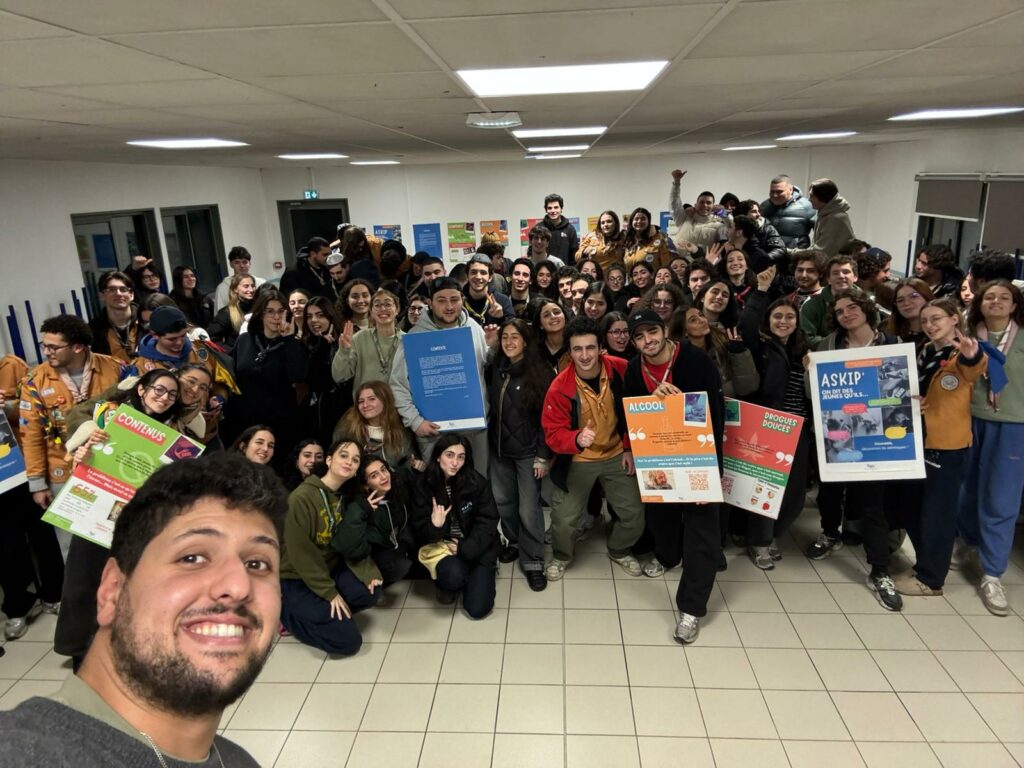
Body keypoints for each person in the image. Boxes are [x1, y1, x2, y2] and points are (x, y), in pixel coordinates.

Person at [0, 453, 287, 768]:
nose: (239, 585)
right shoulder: (23, 752)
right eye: (192, 558)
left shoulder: (236, 760)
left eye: (257, 564)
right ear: (112, 591)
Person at [53, 369, 185, 667]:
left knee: (130, 586)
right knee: (84, 581)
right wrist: (84, 449)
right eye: (159, 389)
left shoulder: (175, 433)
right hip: (96, 514)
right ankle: (80, 649)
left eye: (171, 394)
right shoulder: (109, 416)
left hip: (139, 521)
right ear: (141, 389)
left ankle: (124, 649)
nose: (164, 397)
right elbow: (77, 453)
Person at [623, 309, 725, 643]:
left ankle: (691, 609)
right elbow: (630, 413)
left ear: (665, 330)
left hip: (698, 459)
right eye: (639, 337)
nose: (647, 341)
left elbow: (716, 414)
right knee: (661, 519)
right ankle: (668, 557)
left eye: (652, 332)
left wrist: (681, 406)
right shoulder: (635, 369)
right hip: (658, 459)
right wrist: (652, 405)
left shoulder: (696, 360)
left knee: (701, 531)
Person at [807, 290, 903, 612]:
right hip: (835, 434)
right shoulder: (828, 346)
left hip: (875, 436)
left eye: (851, 307)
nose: (846, 314)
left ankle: (880, 570)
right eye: (839, 311)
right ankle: (829, 533)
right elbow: (812, 392)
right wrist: (810, 372)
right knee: (829, 492)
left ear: (866, 309)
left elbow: (902, 388)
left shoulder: (891, 344)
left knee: (873, 504)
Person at [541, 317, 646, 581]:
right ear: (569, 351)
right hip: (578, 459)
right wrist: (576, 439)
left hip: (617, 453)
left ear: (600, 347)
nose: (585, 355)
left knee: (634, 514)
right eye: (577, 349)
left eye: (590, 348)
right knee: (563, 520)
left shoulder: (621, 369)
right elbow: (552, 434)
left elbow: (638, 410)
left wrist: (629, 447)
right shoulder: (559, 387)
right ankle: (562, 556)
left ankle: (619, 549)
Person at [894, 299, 986, 598]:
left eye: (937, 319)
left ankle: (931, 580)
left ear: (954, 319)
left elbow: (973, 370)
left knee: (937, 514)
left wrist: (972, 356)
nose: (930, 325)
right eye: (925, 320)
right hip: (917, 441)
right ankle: (924, 563)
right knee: (911, 507)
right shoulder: (925, 351)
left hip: (946, 445)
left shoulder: (963, 352)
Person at [20, 315, 124, 556]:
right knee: (72, 547)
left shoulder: (115, 369)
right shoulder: (35, 382)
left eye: (53, 347)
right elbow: (31, 434)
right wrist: (37, 483)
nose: (47, 352)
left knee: (119, 537)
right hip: (63, 471)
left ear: (77, 347)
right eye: (44, 345)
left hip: (110, 468)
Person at [956, 279, 1024, 616]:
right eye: (989, 297)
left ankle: (993, 574)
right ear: (979, 304)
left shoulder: (1022, 339)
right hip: (968, 420)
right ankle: (969, 545)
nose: (996, 302)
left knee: (1001, 496)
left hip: (1013, 424)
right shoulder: (967, 337)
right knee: (966, 489)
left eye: (1004, 297)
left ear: (1015, 305)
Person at [737, 269, 813, 569]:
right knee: (765, 488)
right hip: (770, 427)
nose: (783, 321)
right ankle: (760, 541)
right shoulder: (762, 347)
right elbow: (745, 325)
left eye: (789, 317)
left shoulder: (805, 350)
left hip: (800, 429)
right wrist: (760, 291)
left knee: (794, 493)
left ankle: (773, 533)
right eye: (777, 316)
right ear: (768, 320)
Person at [280, 439, 379, 653]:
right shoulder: (301, 498)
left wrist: (368, 571)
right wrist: (329, 593)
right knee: (348, 642)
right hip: (297, 577)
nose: (349, 462)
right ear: (328, 460)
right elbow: (302, 555)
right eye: (344, 455)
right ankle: (289, 615)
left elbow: (348, 542)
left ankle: (327, 615)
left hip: (329, 569)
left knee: (370, 591)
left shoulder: (344, 496)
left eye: (355, 460)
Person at [390, 276, 495, 471]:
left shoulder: (473, 328)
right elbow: (397, 385)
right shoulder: (414, 338)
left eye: (454, 300)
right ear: (430, 303)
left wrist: (493, 347)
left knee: (478, 482)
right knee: (439, 485)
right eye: (441, 300)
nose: (449, 306)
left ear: (462, 300)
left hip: (474, 429)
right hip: (433, 432)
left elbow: (484, 366)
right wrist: (415, 421)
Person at [485, 318, 555, 590]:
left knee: (528, 509)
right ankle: (514, 542)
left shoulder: (540, 372)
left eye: (515, 337)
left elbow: (548, 419)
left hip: (528, 453)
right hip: (499, 450)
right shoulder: (496, 367)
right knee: (503, 502)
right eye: (505, 337)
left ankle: (534, 561)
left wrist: (543, 455)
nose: (509, 342)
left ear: (526, 341)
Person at [0, 354, 64, 642]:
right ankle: (16, 607)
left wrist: (7, 407)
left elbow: (34, 416)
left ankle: (54, 594)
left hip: (22, 468)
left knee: (42, 533)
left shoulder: (11, 366)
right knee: (6, 546)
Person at [409, 435, 499, 615]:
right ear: (438, 456)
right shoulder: (423, 485)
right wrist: (435, 526)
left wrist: (465, 548)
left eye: (461, 457)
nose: (455, 463)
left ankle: (476, 576)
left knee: (478, 609)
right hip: (443, 547)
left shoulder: (476, 482)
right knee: (453, 576)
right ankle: (451, 581)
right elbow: (419, 530)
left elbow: (488, 520)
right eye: (449, 455)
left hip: (475, 545)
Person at [228, 291, 306, 457]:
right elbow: (233, 376)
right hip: (243, 421)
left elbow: (298, 375)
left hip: (278, 424)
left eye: (280, 311)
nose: (276, 317)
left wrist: (289, 339)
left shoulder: (292, 344)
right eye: (270, 311)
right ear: (261, 314)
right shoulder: (245, 340)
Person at [333, 456, 415, 600]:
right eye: (374, 475)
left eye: (384, 470)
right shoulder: (359, 506)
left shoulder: (395, 491)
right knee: (399, 565)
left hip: (392, 543)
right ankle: (374, 585)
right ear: (366, 485)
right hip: (368, 555)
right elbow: (352, 548)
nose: (383, 477)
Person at [334, 380, 422, 472]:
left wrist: (414, 466)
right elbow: (336, 457)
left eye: (372, 399)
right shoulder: (348, 427)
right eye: (361, 401)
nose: (365, 405)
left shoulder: (399, 427)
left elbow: (408, 459)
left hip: (392, 479)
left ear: (385, 400)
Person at [332, 287, 405, 393]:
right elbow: (339, 376)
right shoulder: (359, 338)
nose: (383, 308)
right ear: (371, 311)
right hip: (366, 401)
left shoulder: (407, 341)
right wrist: (344, 351)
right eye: (377, 305)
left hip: (398, 402)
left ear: (397, 310)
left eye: (388, 304)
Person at [800, 254, 862, 347]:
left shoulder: (867, 303)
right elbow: (807, 338)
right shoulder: (811, 306)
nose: (841, 276)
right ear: (828, 279)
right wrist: (839, 344)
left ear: (855, 277)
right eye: (835, 273)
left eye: (846, 272)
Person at [790, 179, 855, 260]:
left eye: (812, 196)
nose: (809, 199)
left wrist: (790, 252)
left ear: (823, 197)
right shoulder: (826, 214)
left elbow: (820, 253)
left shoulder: (835, 219)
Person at [88, 271, 142, 363]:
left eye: (123, 289)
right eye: (111, 290)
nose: (118, 294)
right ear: (101, 296)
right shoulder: (94, 328)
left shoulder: (146, 321)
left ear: (131, 295)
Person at [669, 170, 726, 252]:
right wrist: (676, 183)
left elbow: (729, 236)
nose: (705, 205)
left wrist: (723, 213)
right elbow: (674, 204)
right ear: (696, 205)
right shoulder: (684, 218)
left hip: (702, 260)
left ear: (713, 206)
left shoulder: (719, 226)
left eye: (708, 203)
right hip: (679, 259)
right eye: (702, 202)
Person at [759, 174, 816, 249]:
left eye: (779, 192)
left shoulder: (806, 206)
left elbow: (820, 232)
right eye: (772, 192)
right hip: (770, 253)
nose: (775, 195)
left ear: (791, 190)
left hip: (795, 253)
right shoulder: (764, 205)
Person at [462, 253, 514, 325]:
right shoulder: (458, 301)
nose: (478, 277)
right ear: (467, 276)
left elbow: (513, 329)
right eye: (473, 272)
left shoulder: (502, 301)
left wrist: (501, 318)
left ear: (490, 277)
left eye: (483, 273)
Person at [885, 278, 935, 354]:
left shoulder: (939, 334)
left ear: (927, 297)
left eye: (914, 296)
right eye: (900, 300)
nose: (906, 303)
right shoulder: (888, 334)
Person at [208, 273, 256, 350]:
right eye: (246, 286)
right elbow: (212, 338)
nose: (251, 290)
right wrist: (232, 353)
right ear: (235, 289)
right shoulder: (226, 313)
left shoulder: (259, 307)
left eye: (253, 286)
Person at [280, 236, 334, 301]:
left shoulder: (328, 269)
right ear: (313, 254)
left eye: (330, 254)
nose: (329, 257)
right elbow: (286, 298)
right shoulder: (293, 272)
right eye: (325, 255)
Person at [214, 245, 265, 311]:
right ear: (231, 264)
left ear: (250, 263)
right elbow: (219, 313)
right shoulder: (223, 288)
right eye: (237, 262)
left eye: (245, 262)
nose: (241, 266)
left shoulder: (261, 284)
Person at [623, 207, 672, 271]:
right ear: (631, 221)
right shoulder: (628, 241)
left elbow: (666, 266)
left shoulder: (660, 239)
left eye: (643, 219)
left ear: (648, 221)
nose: (639, 221)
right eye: (636, 219)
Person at [542, 193, 579, 266]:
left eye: (556, 207)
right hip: (544, 271)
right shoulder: (539, 228)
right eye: (549, 208)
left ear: (561, 209)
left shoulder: (570, 230)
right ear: (546, 210)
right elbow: (533, 253)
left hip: (564, 271)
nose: (553, 210)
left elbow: (574, 257)